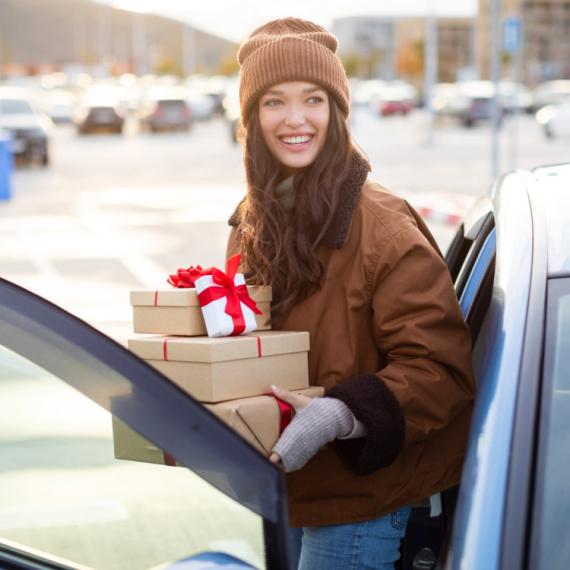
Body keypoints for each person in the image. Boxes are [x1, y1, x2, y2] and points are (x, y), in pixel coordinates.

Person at [226, 17, 476, 570]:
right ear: (251, 118)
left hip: (364, 501)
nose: (295, 119)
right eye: (274, 102)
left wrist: (339, 414)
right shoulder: (252, 223)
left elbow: (442, 370)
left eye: (313, 99)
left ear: (336, 112)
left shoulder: (383, 227)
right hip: (290, 489)